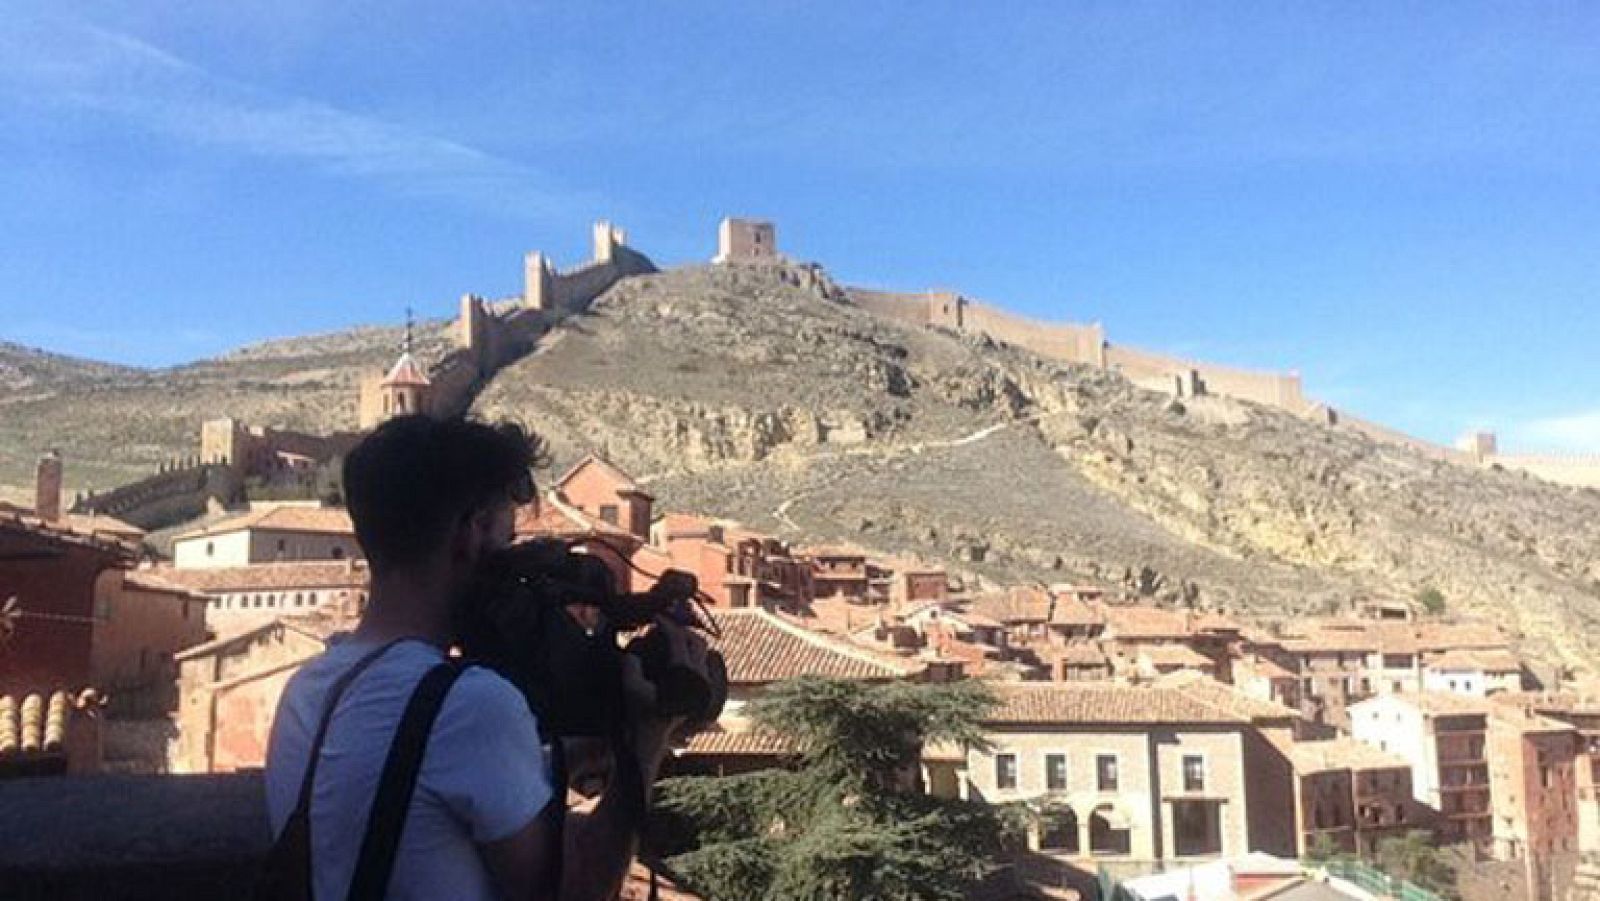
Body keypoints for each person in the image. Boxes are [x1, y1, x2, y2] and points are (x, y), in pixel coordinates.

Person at [264, 416, 705, 900]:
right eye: (507, 540)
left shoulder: (308, 689)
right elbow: (578, 891)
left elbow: (422, 793)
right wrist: (647, 738)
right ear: (471, 533)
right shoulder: (469, 704)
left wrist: (583, 750)